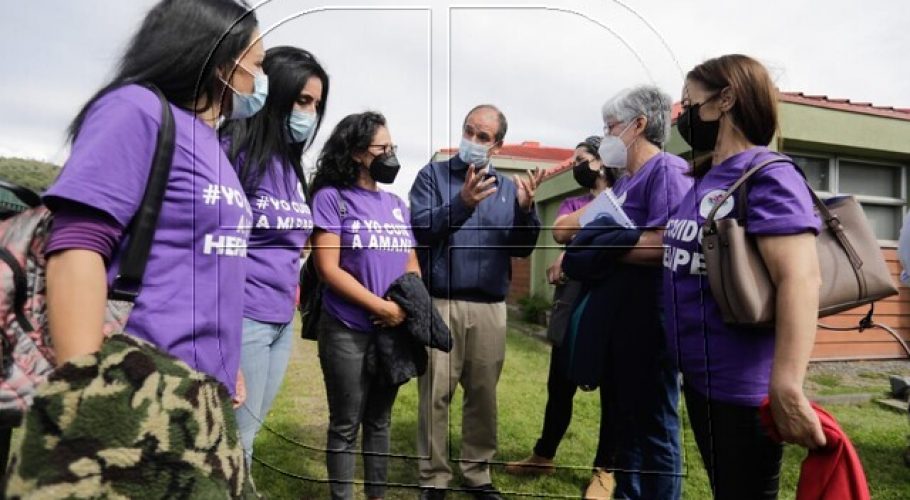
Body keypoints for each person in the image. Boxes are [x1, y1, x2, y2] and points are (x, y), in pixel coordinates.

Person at [7, 0, 264, 496]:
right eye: (255, 65)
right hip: (133, 390)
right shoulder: (136, 110)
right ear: (219, 59)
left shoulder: (212, 141)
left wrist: (226, 365)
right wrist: (87, 398)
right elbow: (79, 244)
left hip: (197, 393)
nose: (260, 79)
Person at [664, 54, 826, 499]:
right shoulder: (704, 177)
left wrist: (787, 385)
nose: (683, 115)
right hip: (700, 380)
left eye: (689, 102)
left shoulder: (769, 175)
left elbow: (801, 278)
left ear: (726, 99)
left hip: (741, 391)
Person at [409, 104, 544, 499]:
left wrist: (526, 211)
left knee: (483, 395)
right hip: (442, 303)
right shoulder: (432, 176)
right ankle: (434, 478)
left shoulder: (508, 189)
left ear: (497, 145)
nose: (474, 140)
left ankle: (477, 473)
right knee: (435, 393)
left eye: (483, 137)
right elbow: (423, 229)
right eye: (470, 131)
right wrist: (463, 202)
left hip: (490, 309)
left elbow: (522, 249)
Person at [567, 85, 691, 499]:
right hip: (618, 325)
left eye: (610, 126)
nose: (605, 137)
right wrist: (606, 243)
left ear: (639, 125)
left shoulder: (668, 171)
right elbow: (566, 231)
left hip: (651, 324)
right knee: (625, 426)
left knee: (656, 428)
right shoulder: (623, 185)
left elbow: (663, 244)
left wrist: (599, 246)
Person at [221, 46, 329, 467]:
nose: (311, 113)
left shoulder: (289, 164)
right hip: (241, 315)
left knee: (250, 431)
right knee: (234, 437)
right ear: (278, 94)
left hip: (281, 317)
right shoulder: (235, 149)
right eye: (303, 100)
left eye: (317, 104)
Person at [310, 111, 420, 500]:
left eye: (392, 147)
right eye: (381, 148)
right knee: (346, 424)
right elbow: (327, 268)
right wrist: (380, 306)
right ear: (357, 152)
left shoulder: (395, 203)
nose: (390, 155)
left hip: (391, 330)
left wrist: (406, 305)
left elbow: (410, 261)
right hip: (346, 329)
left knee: (380, 421)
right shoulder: (331, 199)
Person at [505, 136, 618, 499]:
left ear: (602, 162)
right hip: (572, 306)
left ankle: (605, 470)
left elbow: (598, 246)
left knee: (613, 393)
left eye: (583, 160)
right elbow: (565, 232)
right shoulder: (574, 202)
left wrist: (571, 256)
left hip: (610, 307)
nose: (576, 167)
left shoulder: (627, 197)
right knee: (559, 387)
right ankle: (544, 454)